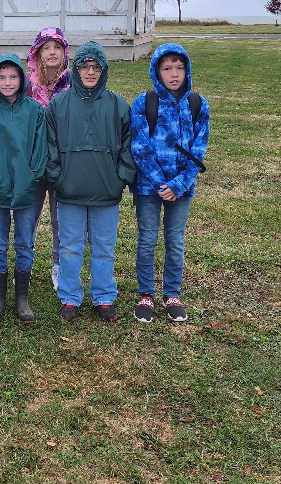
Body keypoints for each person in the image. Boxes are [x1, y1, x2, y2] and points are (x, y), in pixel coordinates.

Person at [46, 41, 137, 322]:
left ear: (104, 70)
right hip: (69, 189)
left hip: (106, 191)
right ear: (75, 69)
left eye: (96, 67)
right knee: (70, 246)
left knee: (104, 247)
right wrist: (57, 177)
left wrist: (120, 177)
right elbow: (49, 146)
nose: (90, 72)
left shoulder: (118, 105)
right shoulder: (59, 104)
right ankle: (70, 297)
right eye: (85, 66)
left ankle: (104, 296)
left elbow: (129, 146)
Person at [130, 43, 210, 324]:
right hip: (148, 188)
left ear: (187, 70)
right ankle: (146, 294)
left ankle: (172, 293)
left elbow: (198, 150)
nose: (174, 74)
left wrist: (178, 184)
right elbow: (139, 146)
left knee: (174, 240)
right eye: (167, 68)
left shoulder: (197, 105)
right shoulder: (144, 103)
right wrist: (158, 182)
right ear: (157, 71)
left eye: (179, 68)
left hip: (182, 189)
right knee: (147, 239)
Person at [0, 53, 47, 324]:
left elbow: (41, 147)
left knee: (25, 241)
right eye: (1, 77)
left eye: (13, 76)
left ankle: (22, 298)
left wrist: (31, 175)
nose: (7, 82)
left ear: (22, 78)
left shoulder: (35, 110)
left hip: (27, 189)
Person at [26, 27, 71, 291]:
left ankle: (59, 266)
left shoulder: (74, 84)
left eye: (57, 47)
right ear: (38, 53)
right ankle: (25, 265)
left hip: (63, 163)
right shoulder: (28, 85)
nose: (52, 52)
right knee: (28, 217)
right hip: (34, 162)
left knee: (60, 219)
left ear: (64, 52)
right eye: (46, 47)